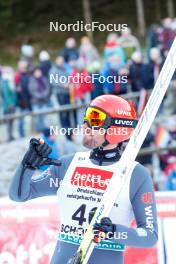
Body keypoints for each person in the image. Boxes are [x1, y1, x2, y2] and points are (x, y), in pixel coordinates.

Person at [9, 95, 158, 264]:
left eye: (95, 119)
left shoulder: (135, 175)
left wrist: (113, 232)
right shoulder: (68, 164)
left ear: (116, 128)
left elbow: (149, 235)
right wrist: (28, 165)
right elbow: (19, 195)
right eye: (86, 117)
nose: (85, 126)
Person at [28, 67, 50, 132]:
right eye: (36, 72)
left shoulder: (44, 79)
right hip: (35, 101)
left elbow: (47, 88)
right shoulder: (31, 80)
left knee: (43, 116)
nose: (38, 73)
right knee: (37, 117)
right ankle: (38, 130)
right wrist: (40, 96)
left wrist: (44, 95)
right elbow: (32, 91)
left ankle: (43, 130)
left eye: (39, 72)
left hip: (44, 101)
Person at [0, 66, 16, 141]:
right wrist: (10, 104)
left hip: (12, 104)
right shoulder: (5, 81)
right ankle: (9, 137)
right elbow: (6, 94)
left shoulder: (10, 80)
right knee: (8, 121)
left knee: (11, 121)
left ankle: (11, 136)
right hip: (8, 105)